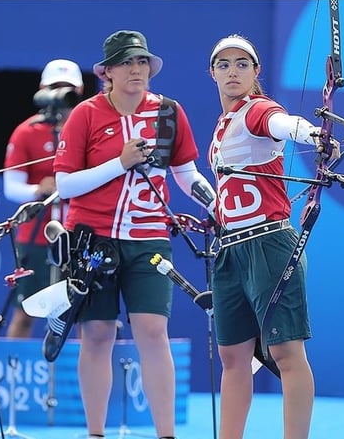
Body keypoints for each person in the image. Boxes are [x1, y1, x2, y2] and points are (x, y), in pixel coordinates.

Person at [54, 30, 216, 439]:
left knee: (153, 332)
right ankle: (95, 433)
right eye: (126, 63)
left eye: (142, 61)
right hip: (92, 242)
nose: (136, 69)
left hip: (149, 241)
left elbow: (186, 174)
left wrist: (220, 209)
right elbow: (65, 184)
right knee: (96, 334)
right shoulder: (85, 114)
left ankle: (166, 434)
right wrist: (120, 163)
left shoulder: (169, 113)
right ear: (107, 72)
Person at [207, 34, 338, 439]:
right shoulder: (223, 124)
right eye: (224, 64)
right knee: (233, 357)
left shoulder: (257, 109)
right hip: (230, 249)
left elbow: (282, 123)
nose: (233, 71)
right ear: (212, 73)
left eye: (242, 64)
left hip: (269, 245)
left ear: (256, 72)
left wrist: (315, 136)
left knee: (285, 352)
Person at [1, 59, 84, 338]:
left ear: (80, 90)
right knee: (25, 314)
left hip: (79, 233)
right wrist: (38, 189)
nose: (61, 96)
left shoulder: (90, 129)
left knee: (88, 318)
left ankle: (88, 382)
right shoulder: (27, 131)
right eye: (55, 88)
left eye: (68, 89)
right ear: (42, 91)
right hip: (36, 238)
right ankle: (12, 381)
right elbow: (11, 187)